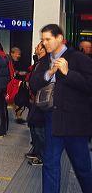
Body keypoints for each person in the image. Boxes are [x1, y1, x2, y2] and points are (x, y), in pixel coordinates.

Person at [29, 24, 92, 193]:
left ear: (59, 38)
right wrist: (49, 73)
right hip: (52, 121)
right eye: (42, 40)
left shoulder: (78, 58)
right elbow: (33, 84)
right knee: (50, 164)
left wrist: (68, 73)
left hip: (75, 124)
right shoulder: (44, 61)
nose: (45, 43)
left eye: (48, 39)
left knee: (82, 168)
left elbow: (89, 85)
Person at [25, 41, 47, 166]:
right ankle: (37, 151)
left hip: (41, 100)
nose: (35, 48)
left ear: (43, 50)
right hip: (35, 98)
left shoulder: (45, 63)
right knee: (34, 126)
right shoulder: (39, 62)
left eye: (38, 47)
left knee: (39, 129)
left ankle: (42, 156)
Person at [10, 46, 26, 124]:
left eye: (19, 54)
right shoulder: (9, 62)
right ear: (12, 53)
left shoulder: (18, 62)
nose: (19, 56)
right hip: (11, 85)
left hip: (18, 84)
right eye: (17, 54)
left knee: (18, 100)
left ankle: (18, 116)